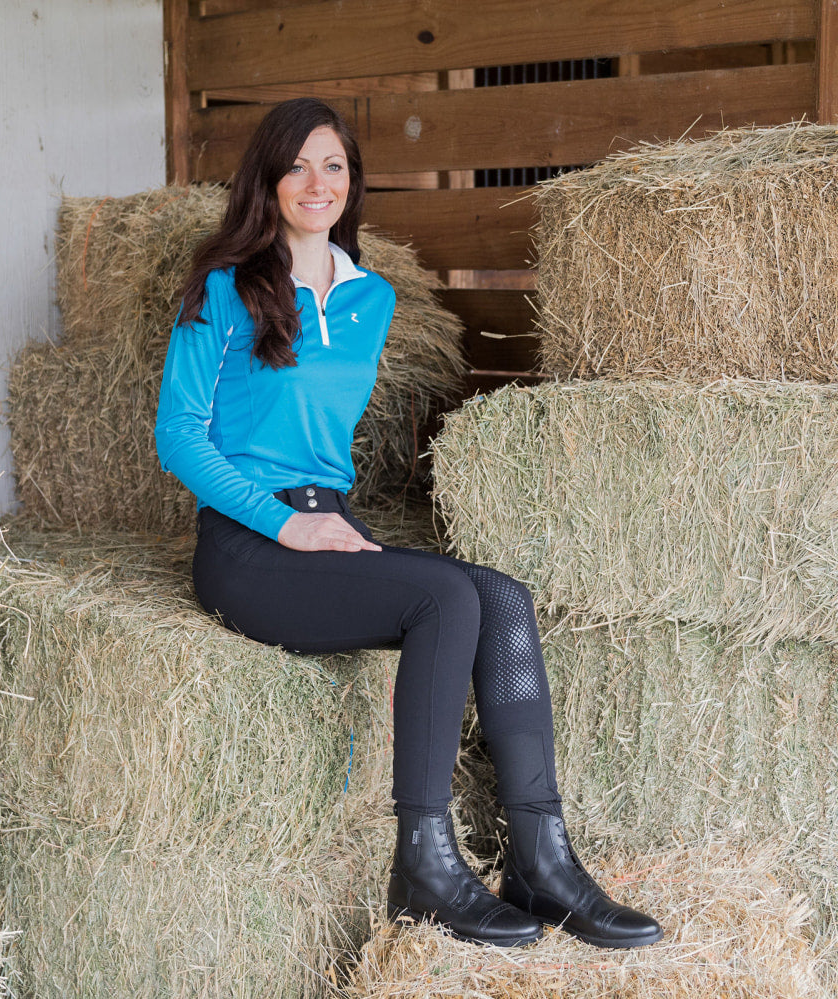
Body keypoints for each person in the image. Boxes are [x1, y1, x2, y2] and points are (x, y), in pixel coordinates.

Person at [154, 97, 662, 950]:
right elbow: (180, 437)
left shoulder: (371, 300)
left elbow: (323, 441)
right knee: (440, 600)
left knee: (500, 597)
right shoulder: (225, 290)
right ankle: (422, 864)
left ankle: (543, 857)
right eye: (299, 166)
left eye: (335, 167)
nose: (318, 183)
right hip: (249, 547)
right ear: (268, 180)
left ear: (352, 184)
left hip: (328, 525)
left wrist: (326, 524)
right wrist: (283, 526)